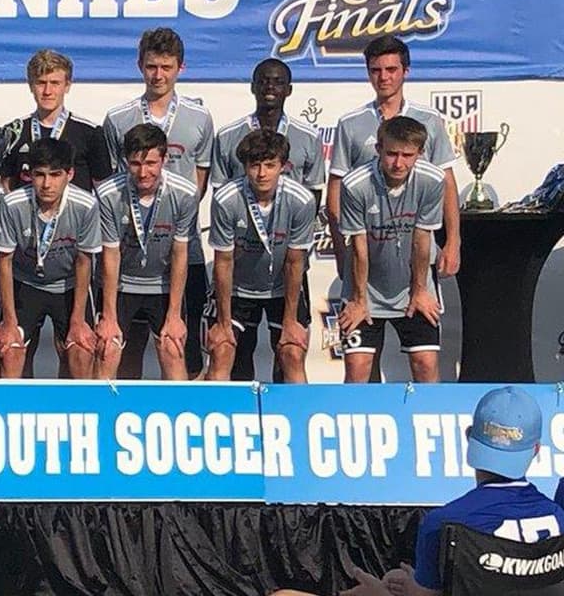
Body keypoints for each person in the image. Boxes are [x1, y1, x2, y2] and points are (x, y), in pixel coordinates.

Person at [277, 387, 564, 596]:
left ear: (468, 438)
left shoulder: (444, 522)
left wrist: (381, 591)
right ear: (536, 450)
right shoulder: (558, 518)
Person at [102, 28, 213, 377]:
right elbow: (114, 182)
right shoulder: (118, 119)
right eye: (151, 66)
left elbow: (199, 183)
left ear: (181, 68)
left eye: (166, 67)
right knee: (124, 354)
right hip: (129, 258)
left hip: (183, 250)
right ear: (140, 66)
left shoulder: (200, 118)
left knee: (181, 351)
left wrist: (173, 219)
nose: (158, 75)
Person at [327, 35, 460, 283]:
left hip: (418, 249)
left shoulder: (429, 120)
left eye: (391, 69)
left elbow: (447, 182)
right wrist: (339, 247)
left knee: (420, 317)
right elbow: (336, 187)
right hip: (366, 250)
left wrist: (453, 241)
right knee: (360, 319)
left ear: (405, 71)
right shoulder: (350, 123)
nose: (384, 77)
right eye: (376, 70)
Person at [338, 116, 446, 383]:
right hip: (366, 288)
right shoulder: (354, 185)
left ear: (420, 153)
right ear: (378, 149)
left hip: (413, 287)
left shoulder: (433, 180)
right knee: (358, 367)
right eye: (392, 154)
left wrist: (420, 290)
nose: (399, 163)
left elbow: (422, 240)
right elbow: (359, 247)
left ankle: (427, 420)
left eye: (408, 155)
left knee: (426, 363)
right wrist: (360, 300)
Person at [204, 129, 317, 383]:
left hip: (281, 287)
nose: (262, 173)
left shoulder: (302, 200)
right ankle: (216, 416)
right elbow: (223, 262)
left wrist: (290, 321)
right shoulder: (226, 199)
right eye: (255, 165)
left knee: (293, 351)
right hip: (238, 289)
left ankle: (298, 418)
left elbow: (294, 261)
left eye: (270, 165)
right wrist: (223, 322)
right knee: (221, 350)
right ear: (245, 166)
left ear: (283, 166)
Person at [94, 124, 197, 381]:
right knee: (107, 349)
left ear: (164, 159)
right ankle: (101, 415)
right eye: (135, 164)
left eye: (151, 163)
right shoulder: (108, 194)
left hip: (160, 285)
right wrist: (108, 316)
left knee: (172, 348)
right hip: (121, 285)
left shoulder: (185, 193)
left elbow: (180, 253)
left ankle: (179, 415)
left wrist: (174, 315)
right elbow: (110, 254)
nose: (143, 172)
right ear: (125, 161)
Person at [0, 138, 101, 379]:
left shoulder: (86, 205)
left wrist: (77, 321)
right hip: (26, 283)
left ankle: (76, 411)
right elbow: (4, 261)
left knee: (81, 350)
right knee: (10, 350)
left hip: (68, 284)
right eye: (40, 175)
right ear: (29, 175)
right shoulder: (13, 204)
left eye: (55, 175)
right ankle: (16, 410)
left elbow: (85, 262)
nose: (47, 184)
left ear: (70, 174)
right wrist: (9, 322)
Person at [0, 49, 113, 193]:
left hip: (75, 214)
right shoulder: (14, 131)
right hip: (27, 213)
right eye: (41, 83)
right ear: (31, 86)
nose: (47, 91)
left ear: (67, 86)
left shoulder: (90, 133)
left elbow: (103, 188)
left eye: (55, 83)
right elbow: (6, 184)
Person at [211, 59, 325, 198]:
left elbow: (314, 192)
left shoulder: (309, 138)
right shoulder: (226, 136)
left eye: (278, 82)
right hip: (242, 219)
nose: (270, 86)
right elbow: (220, 193)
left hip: (290, 219)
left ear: (289, 90)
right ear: (253, 87)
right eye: (263, 81)